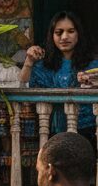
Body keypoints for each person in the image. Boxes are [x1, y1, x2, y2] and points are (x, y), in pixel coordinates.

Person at [19, 11, 98, 142]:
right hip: (55, 132)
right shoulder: (44, 66)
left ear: (79, 34)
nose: (65, 37)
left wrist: (91, 81)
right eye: (59, 32)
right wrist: (29, 61)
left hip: (90, 130)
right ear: (52, 36)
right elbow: (23, 88)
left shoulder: (93, 64)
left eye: (71, 31)